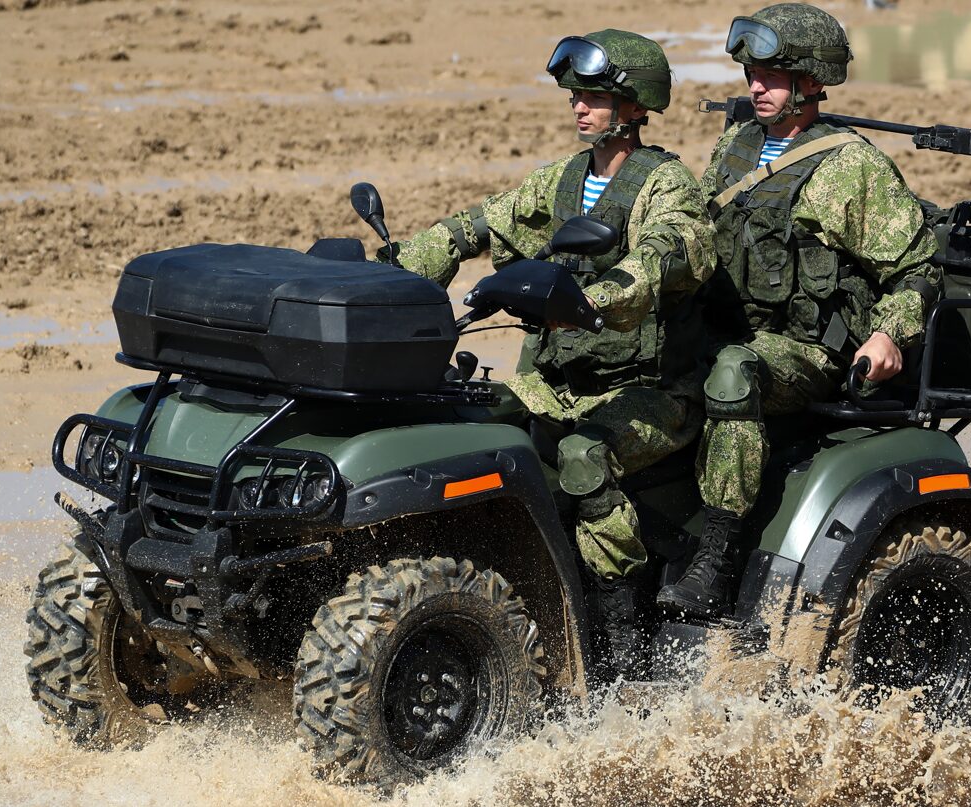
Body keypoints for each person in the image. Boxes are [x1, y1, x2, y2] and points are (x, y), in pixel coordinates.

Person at [382, 30, 715, 676]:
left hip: (652, 390)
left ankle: (621, 645)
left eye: (593, 95)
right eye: (575, 94)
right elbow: (485, 221)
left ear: (633, 105)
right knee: (478, 423)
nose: (577, 106)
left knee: (583, 457)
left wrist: (595, 299)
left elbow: (665, 257)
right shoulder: (567, 181)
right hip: (562, 380)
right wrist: (403, 268)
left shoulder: (665, 186)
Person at [656, 2, 942, 620]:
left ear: (812, 81)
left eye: (772, 75)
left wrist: (889, 335)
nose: (755, 86)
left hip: (806, 353)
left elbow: (917, 270)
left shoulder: (849, 167)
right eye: (751, 74)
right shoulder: (736, 146)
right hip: (726, 332)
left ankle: (718, 554)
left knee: (734, 372)